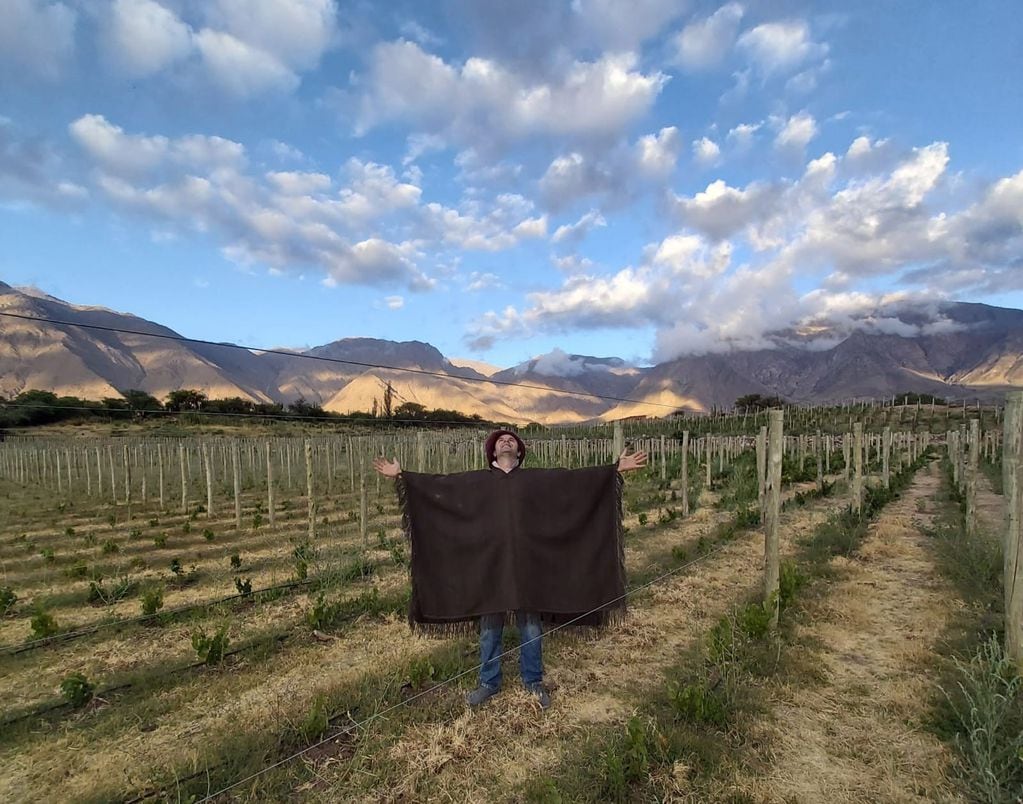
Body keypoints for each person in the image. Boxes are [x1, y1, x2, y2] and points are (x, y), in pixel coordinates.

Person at [374, 429, 647, 709]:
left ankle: (533, 681)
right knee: (490, 625)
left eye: (512, 440)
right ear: (492, 452)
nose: (506, 441)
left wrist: (614, 469)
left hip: (528, 564)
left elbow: (572, 481)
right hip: (490, 565)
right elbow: (440, 485)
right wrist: (401, 475)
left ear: (519, 452)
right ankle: (488, 683)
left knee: (530, 624)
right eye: (500, 440)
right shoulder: (476, 481)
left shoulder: (535, 479)